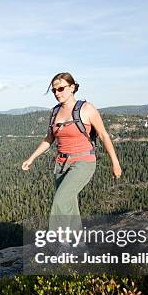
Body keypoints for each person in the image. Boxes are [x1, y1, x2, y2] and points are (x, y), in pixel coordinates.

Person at [22, 72, 122, 243]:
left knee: (60, 200)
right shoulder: (55, 112)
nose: (57, 93)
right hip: (61, 163)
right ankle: (78, 244)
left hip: (83, 161)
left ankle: (58, 243)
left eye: (61, 88)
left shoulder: (86, 109)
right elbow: (49, 139)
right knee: (70, 203)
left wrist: (115, 163)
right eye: (54, 90)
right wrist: (31, 158)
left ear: (72, 87)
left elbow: (104, 135)